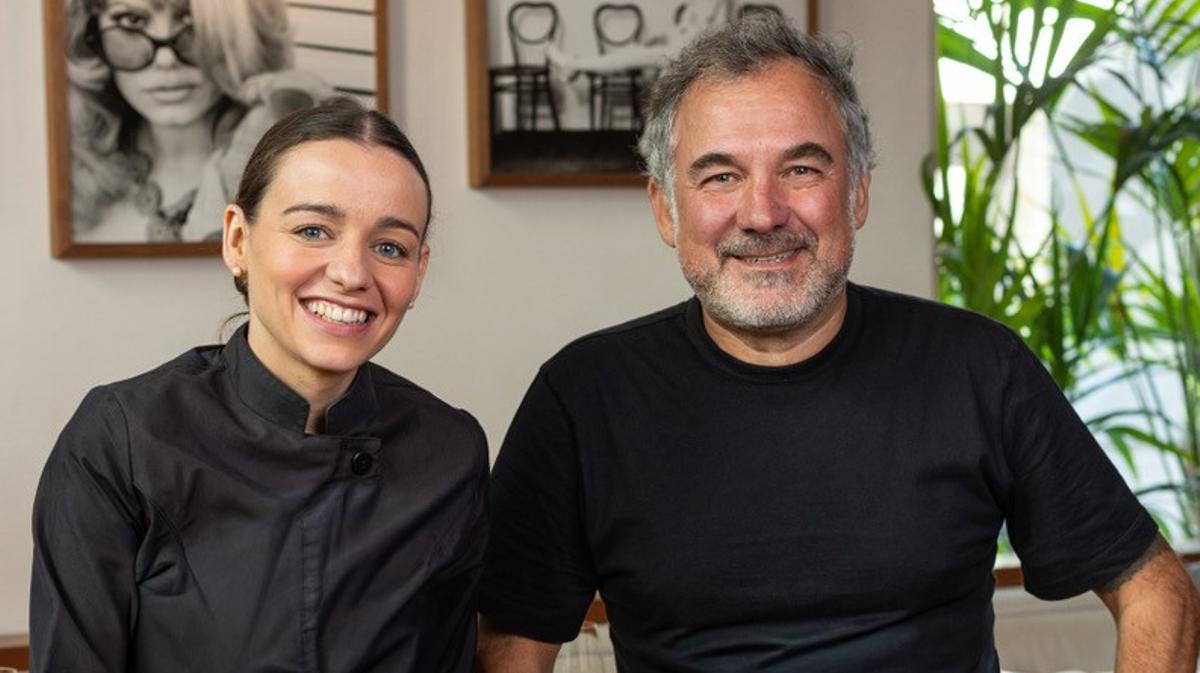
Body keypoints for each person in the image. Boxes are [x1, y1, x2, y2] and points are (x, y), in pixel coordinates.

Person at [477, 15, 1200, 673]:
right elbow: (509, 644)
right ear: (667, 208)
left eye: (801, 168)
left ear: (855, 192)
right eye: (721, 175)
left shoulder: (980, 368)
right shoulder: (583, 398)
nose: (762, 213)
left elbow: (1157, 588)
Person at [31, 98, 487, 672]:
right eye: (314, 230)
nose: (351, 273)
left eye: (389, 247)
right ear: (238, 242)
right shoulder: (122, 439)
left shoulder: (449, 448)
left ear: (418, 272)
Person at [66, 0, 332, 243]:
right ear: (91, 34)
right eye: (132, 21)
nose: (166, 60)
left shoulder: (303, 167)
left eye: (190, 21)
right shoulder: (68, 183)